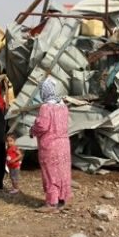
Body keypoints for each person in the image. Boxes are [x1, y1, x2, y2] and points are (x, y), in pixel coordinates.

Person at [30, 77, 72, 213]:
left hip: (50, 146)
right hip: (64, 144)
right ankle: (62, 200)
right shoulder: (63, 105)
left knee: (50, 173)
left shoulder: (46, 107)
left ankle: (51, 203)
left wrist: (32, 130)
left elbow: (42, 125)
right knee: (63, 172)